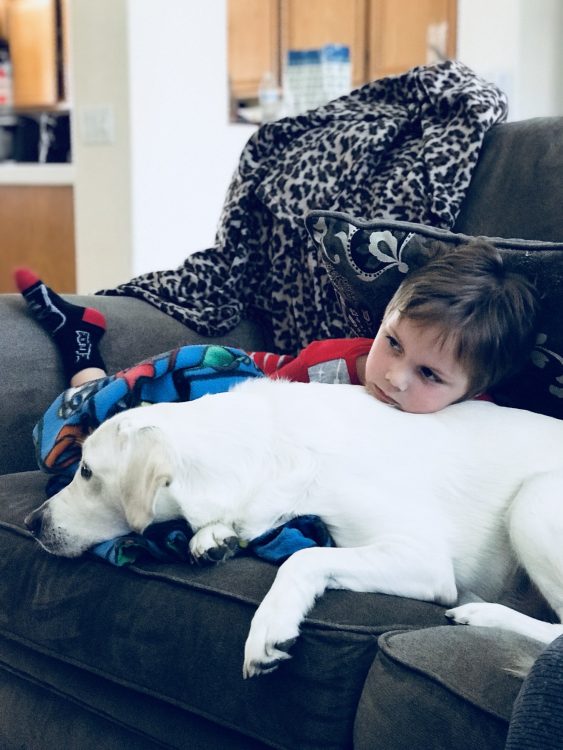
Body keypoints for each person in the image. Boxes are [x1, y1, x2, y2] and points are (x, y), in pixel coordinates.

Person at [14, 238, 538, 416]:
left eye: (429, 374)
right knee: (120, 406)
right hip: (253, 379)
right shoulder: (336, 363)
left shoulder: (473, 422)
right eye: (393, 343)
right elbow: (259, 401)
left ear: (474, 392)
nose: (395, 378)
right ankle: (80, 344)